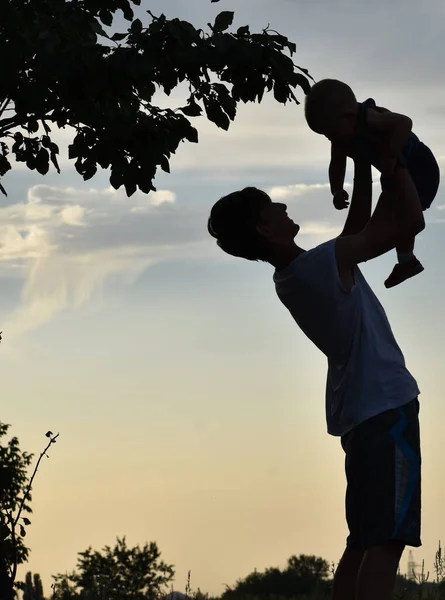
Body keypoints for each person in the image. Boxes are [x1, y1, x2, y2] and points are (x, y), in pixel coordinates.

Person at [207, 158, 424, 600]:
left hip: (360, 416)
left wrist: (361, 164)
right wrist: (395, 165)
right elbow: (407, 221)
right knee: (387, 539)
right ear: (265, 231)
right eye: (272, 208)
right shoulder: (323, 263)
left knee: (363, 538)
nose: (283, 204)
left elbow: (355, 230)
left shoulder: (296, 275)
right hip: (387, 409)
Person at [304, 78, 440, 288]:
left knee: (403, 218)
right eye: (325, 135)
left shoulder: (369, 118)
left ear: (349, 117)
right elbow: (336, 164)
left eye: (331, 133)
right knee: (397, 217)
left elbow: (403, 122)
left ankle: (406, 259)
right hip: (393, 176)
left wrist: (390, 154)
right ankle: (406, 260)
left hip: (420, 168)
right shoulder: (341, 137)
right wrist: (336, 189)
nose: (331, 139)